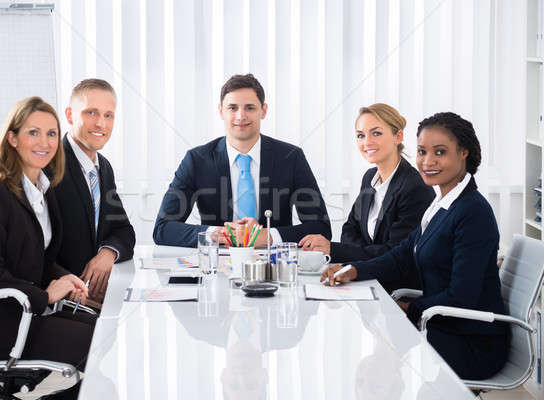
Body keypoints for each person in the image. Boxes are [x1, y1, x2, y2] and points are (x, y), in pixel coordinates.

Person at [321, 112, 508, 380]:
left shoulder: (472, 212)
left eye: (440, 152)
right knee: (355, 336)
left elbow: (462, 296)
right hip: (441, 325)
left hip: (470, 342)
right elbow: (401, 256)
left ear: (464, 152)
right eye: (422, 152)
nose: (427, 161)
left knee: (367, 353)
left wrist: (409, 310)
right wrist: (353, 270)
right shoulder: (442, 204)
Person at [0, 97, 93, 399]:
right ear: (12, 138)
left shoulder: (43, 189)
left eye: (52, 133)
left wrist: (67, 280)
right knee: (100, 342)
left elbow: (40, 259)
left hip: (23, 312)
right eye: (33, 132)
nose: (45, 142)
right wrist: (45, 295)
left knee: (109, 330)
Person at [153, 73, 331, 248]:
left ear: (264, 110)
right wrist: (218, 234)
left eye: (250, 108)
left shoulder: (291, 157)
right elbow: (163, 228)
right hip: (217, 265)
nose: (241, 116)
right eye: (232, 108)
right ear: (221, 111)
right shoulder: (197, 160)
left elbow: (321, 228)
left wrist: (268, 236)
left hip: (274, 265)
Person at [299, 104, 434, 292]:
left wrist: (334, 249)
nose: (366, 142)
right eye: (361, 135)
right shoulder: (370, 177)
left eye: (376, 133)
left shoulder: (415, 187)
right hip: (364, 278)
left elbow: (394, 253)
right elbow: (349, 230)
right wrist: (365, 254)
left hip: (394, 289)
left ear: (398, 136)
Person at [54, 79, 135, 304]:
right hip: (62, 297)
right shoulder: (50, 165)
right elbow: (39, 250)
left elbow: (124, 230)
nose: (101, 123)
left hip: (94, 294)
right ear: (70, 115)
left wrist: (107, 253)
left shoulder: (103, 167)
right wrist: (74, 288)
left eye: (108, 115)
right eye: (91, 112)